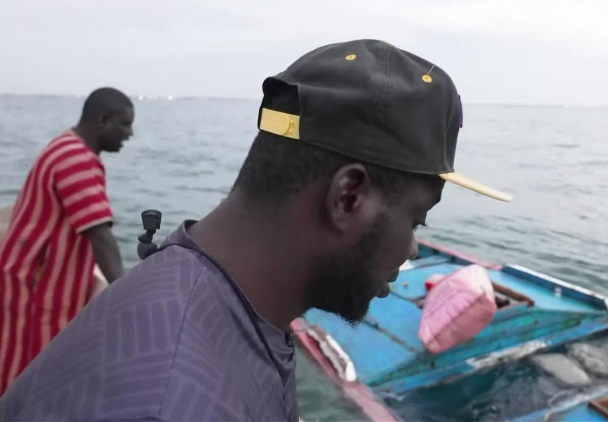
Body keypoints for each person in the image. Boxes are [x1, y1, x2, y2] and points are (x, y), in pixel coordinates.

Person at [0, 41, 509, 420]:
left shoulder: (204, 284)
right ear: (348, 197)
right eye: (416, 220)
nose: (414, 247)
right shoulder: (169, 402)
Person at [0, 87, 133, 395]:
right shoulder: (78, 160)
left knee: (14, 361)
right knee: (33, 375)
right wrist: (129, 295)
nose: (130, 133)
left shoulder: (64, 144)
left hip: (23, 277)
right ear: (103, 120)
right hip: (39, 289)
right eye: (124, 124)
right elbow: (100, 235)